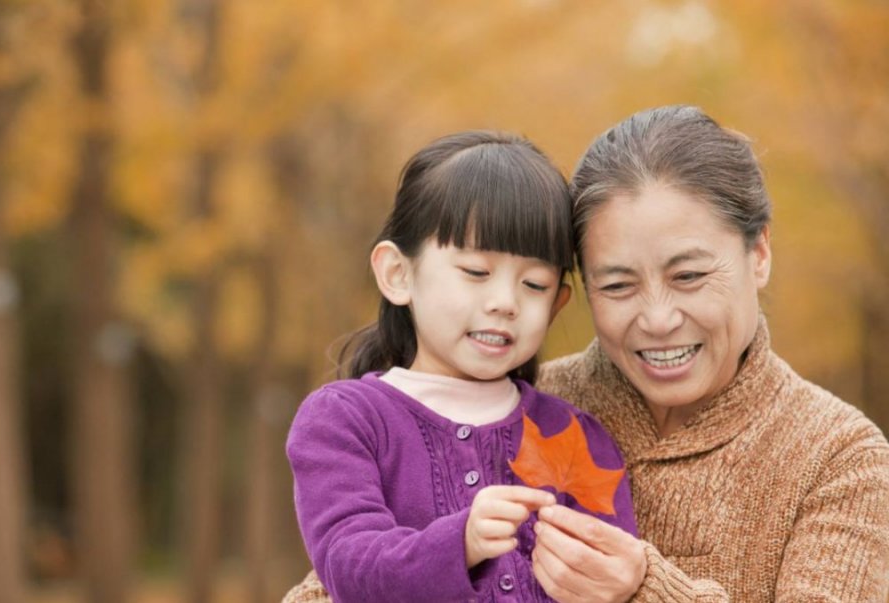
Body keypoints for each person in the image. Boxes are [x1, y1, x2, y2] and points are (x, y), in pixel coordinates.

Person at [284, 106, 889, 602]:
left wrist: (646, 589)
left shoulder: (841, 460)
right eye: (618, 285)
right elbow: (338, 582)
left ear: (758, 255)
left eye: (688, 276)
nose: (656, 318)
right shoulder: (523, 406)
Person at [285, 130, 638, 603]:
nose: (504, 303)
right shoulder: (346, 421)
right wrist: (459, 543)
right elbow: (348, 566)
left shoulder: (575, 435)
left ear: (557, 305)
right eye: (476, 272)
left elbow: (609, 572)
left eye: (534, 285)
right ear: (398, 273)